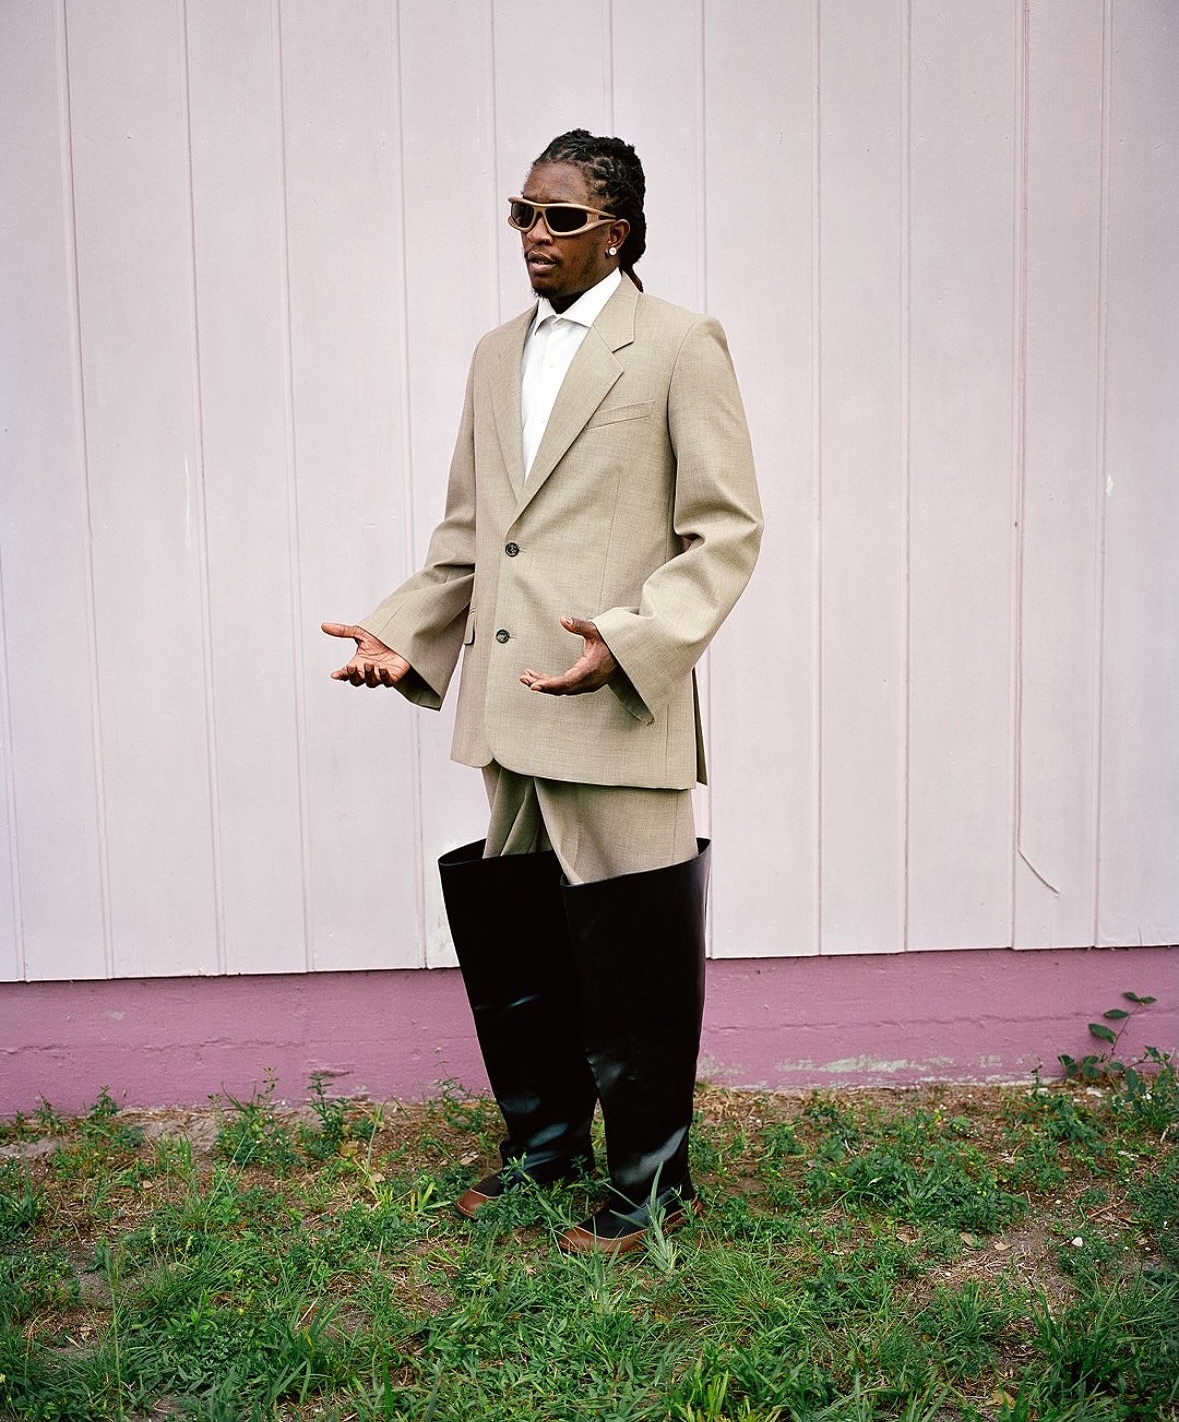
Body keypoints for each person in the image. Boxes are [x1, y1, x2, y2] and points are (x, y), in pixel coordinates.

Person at [323, 129, 762, 1255]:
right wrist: (405, 634)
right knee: (518, 939)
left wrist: (630, 640)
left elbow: (724, 531)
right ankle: (546, 1144)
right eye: (521, 212)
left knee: (637, 953)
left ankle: (654, 1185)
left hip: (614, 701)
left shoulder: (679, 345)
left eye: (560, 217)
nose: (534, 234)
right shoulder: (491, 355)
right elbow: (475, 534)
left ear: (616, 232)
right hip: (510, 701)